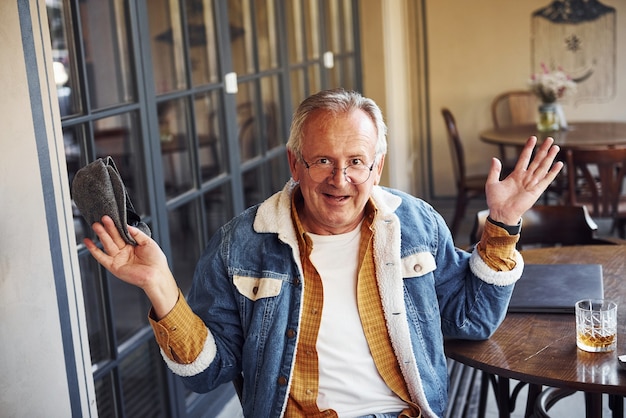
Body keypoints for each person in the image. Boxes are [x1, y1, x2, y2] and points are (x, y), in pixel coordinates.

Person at [84, 88, 563, 418]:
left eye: (357, 161)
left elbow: (470, 321)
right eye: (322, 161)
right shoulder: (242, 243)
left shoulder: (416, 225)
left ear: (378, 167)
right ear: (295, 163)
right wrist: (159, 285)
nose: (340, 179)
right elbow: (207, 374)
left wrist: (502, 225)